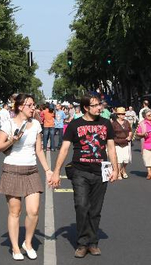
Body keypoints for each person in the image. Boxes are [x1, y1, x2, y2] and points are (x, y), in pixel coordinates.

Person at [50, 95, 118, 258]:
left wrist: (115, 169)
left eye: (99, 105)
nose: (99, 108)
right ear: (86, 107)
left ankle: (92, 242)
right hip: (80, 171)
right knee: (81, 206)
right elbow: (65, 149)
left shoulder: (105, 123)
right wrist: (56, 171)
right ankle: (82, 243)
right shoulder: (75, 124)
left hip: (100, 171)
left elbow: (111, 148)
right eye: (95, 105)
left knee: (95, 209)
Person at [0, 94, 52, 261]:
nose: (33, 108)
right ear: (20, 107)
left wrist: (47, 170)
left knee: (33, 211)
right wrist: (13, 139)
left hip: (31, 170)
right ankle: (15, 247)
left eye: (34, 105)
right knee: (15, 212)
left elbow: (39, 150)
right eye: (30, 105)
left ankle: (28, 243)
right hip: (12, 170)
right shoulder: (9, 124)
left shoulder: (36, 125)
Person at [111, 107, 132, 180]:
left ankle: (123, 170)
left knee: (126, 159)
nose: (123, 115)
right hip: (117, 143)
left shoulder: (126, 122)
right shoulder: (114, 123)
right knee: (119, 160)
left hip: (126, 142)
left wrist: (129, 136)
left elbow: (130, 131)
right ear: (118, 115)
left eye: (124, 114)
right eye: (121, 114)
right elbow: (111, 134)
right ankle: (119, 173)